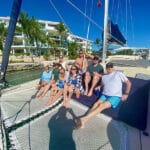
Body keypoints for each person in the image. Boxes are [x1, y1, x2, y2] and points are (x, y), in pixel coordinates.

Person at [74, 62, 131, 129]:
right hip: (104, 94)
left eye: (111, 67)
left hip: (115, 96)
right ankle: (83, 121)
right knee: (95, 104)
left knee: (101, 106)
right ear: (106, 68)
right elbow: (103, 84)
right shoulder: (104, 76)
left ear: (113, 67)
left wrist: (126, 94)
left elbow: (128, 83)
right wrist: (99, 86)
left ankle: (83, 119)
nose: (109, 68)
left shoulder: (118, 73)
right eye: (108, 67)